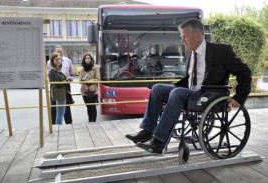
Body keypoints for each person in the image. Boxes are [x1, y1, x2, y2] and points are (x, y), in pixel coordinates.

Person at [125, 18, 252, 154]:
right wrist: (175, 85)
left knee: (177, 93)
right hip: (191, 93)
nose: (182, 40)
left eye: (184, 36)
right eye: (181, 37)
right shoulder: (189, 53)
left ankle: (159, 142)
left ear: (197, 35)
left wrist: (239, 97)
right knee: (157, 89)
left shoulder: (221, 51)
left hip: (208, 95)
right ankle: (147, 131)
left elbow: (245, 71)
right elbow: (190, 78)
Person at [47, 45, 75, 125]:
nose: (60, 53)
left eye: (61, 51)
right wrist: (66, 79)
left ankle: (68, 122)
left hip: (65, 86)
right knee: (56, 108)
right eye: (58, 51)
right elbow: (53, 78)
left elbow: (71, 72)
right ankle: (55, 125)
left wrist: (69, 78)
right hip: (56, 88)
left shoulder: (67, 61)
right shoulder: (50, 65)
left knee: (66, 106)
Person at [79, 53, 100, 122]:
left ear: (91, 59)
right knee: (88, 107)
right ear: (84, 60)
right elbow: (79, 80)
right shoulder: (82, 69)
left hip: (93, 90)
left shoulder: (95, 67)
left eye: (89, 58)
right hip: (84, 91)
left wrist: (88, 80)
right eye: (86, 58)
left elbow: (98, 78)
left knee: (93, 106)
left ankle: (93, 121)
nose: (87, 60)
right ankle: (89, 120)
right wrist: (84, 80)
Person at [48, 52, 67, 125]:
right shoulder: (52, 71)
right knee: (60, 114)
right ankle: (58, 129)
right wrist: (67, 80)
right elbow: (57, 84)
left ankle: (58, 127)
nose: (58, 60)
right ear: (52, 61)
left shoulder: (57, 70)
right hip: (59, 95)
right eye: (56, 59)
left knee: (61, 113)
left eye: (59, 59)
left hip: (61, 94)